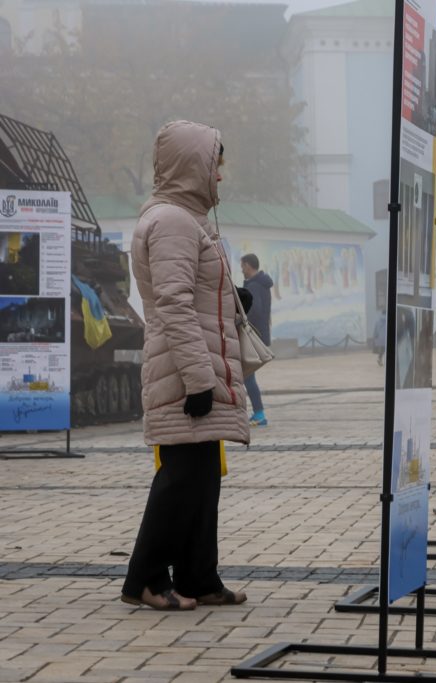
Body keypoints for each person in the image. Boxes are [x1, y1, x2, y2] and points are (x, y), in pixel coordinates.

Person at [122, 120, 250, 611]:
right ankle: (146, 581)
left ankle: (199, 577)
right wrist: (199, 381)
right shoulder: (173, 220)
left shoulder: (186, 219)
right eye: (215, 165)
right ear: (192, 166)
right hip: (184, 371)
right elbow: (172, 305)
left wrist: (232, 298)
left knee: (201, 479)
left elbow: (191, 290)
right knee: (180, 479)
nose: (220, 176)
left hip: (194, 366)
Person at [241, 253, 273, 426]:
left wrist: (241, 318)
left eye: (242, 266)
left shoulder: (253, 286)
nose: (241, 270)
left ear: (248, 265)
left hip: (251, 336)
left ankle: (259, 413)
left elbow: (254, 310)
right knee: (247, 375)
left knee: (247, 375)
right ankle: (258, 412)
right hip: (259, 335)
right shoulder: (263, 284)